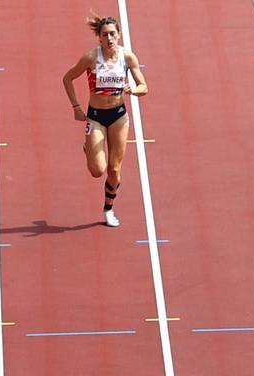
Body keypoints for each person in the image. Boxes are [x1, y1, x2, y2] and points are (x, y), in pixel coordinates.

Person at [62, 13, 148, 227]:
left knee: (114, 169)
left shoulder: (128, 58)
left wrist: (134, 90)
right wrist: (76, 107)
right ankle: (89, 148)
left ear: (118, 35)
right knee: (97, 171)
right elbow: (68, 78)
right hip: (96, 116)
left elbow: (144, 87)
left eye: (112, 34)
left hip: (118, 116)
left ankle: (108, 209)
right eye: (104, 35)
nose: (109, 38)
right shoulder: (91, 58)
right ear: (99, 38)